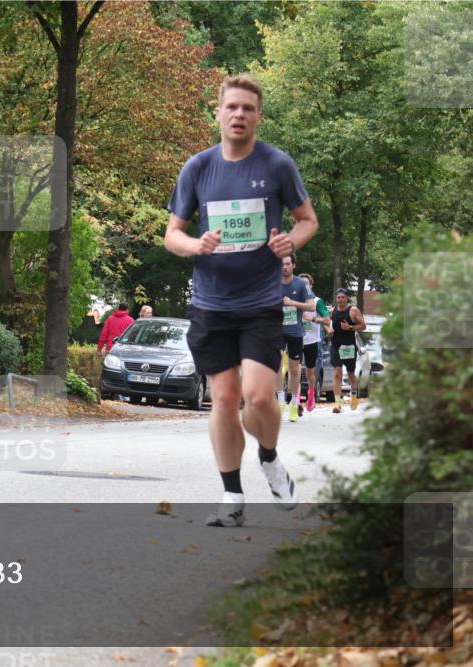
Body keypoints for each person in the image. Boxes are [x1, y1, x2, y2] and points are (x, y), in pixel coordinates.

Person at [164, 73, 318, 527]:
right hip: (211, 305)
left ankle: (269, 457)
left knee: (259, 398)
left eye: (248, 109)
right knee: (225, 398)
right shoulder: (198, 168)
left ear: (258, 117)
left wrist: (290, 242)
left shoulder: (277, 164)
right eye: (231, 107)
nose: (239, 115)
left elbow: (307, 220)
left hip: (260, 303)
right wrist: (196, 245)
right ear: (218, 113)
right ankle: (231, 495)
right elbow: (172, 234)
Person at [278, 255, 314, 422]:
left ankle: (293, 403)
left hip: (295, 332)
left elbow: (312, 306)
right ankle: (280, 400)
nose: (284, 267)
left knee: (294, 370)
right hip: (277, 331)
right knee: (276, 365)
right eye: (281, 264)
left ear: (293, 265)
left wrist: (294, 303)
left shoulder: (301, 284)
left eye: (287, 264)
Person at [329, 287, 365, 413]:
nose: (340, 299)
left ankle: (354, 394)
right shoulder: (332, 311)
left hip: (349, 346)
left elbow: (363, 326)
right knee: (337, 372)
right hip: (336, 345)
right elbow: (327, 323)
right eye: (338, 297)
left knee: (350, 374)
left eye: (343, 297)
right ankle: (337, 404)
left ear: (347, 298)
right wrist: (329, 330)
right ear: (336, 299)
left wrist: (349, 327)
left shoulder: (353, 310)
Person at [299, 273, 330, 411]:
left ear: (311, 286)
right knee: (295, 371)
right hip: (296, 339)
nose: (304, 286)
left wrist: (312, 319)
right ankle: (296, 399)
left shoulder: (318, 302)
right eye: (301, 284)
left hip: (312, 341)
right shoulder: (293, 300)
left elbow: (327, 320)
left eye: (307, 284)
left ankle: (311, 394)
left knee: (310, 372)